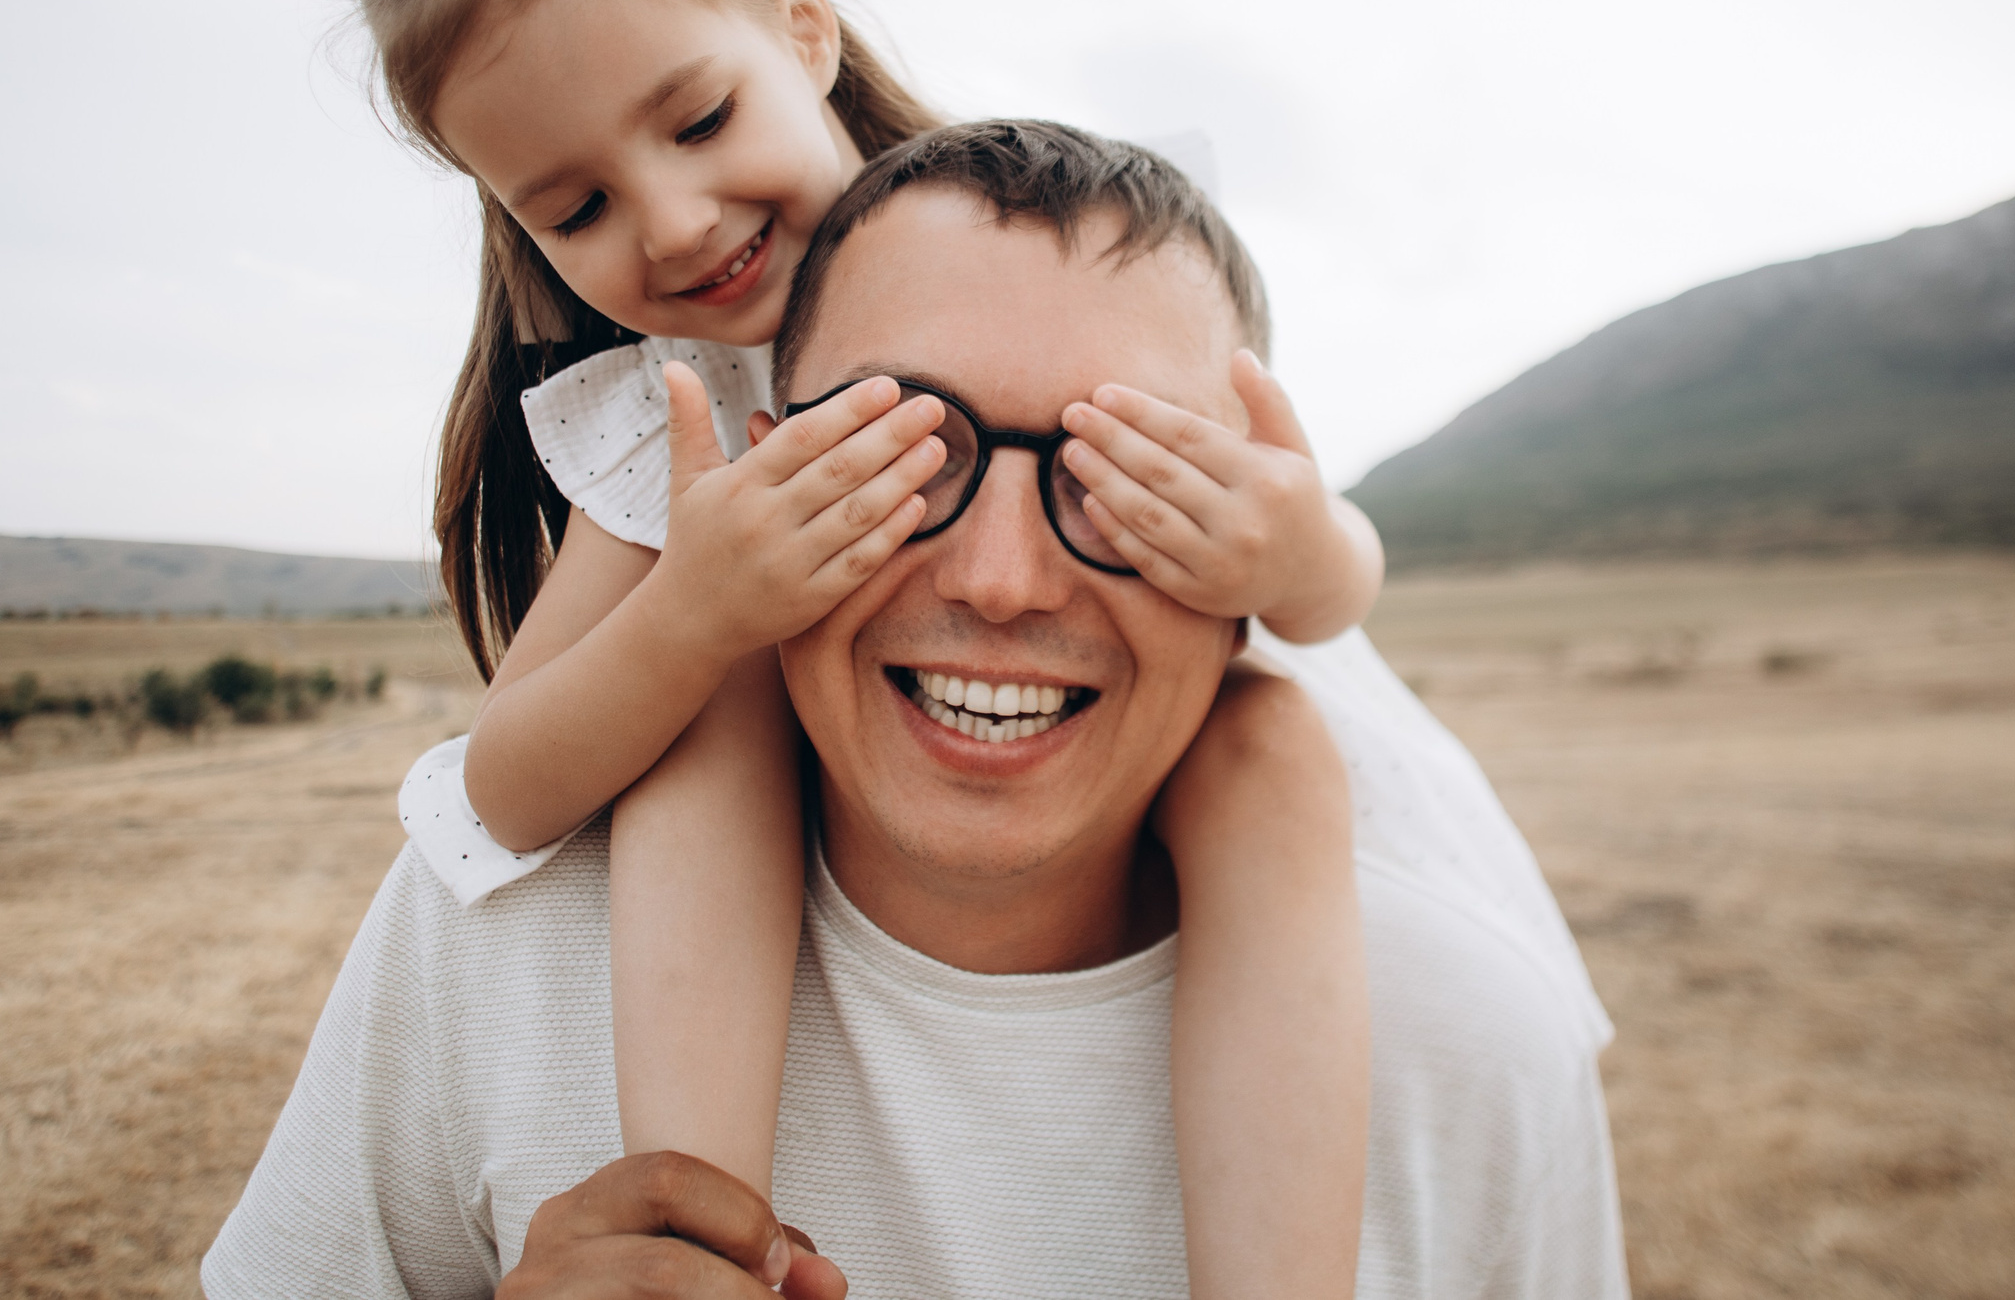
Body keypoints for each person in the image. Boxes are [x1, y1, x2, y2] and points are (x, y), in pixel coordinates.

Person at [203, 121, 1626, 1299]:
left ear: (1251, 542)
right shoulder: (495, 954)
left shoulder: (1472, 1056)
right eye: (900, 452)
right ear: (755, 481)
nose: (1003, 581)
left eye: (1118, 476)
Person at [339, 0, 1371, 1294]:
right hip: (832, 798)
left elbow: (1328, 587)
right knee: (719, 694)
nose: (676, 224)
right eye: (577, 208)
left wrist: (1298, 554)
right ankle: (715, 1239)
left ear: (801, 24)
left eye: (694, 123)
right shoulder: (662, 422)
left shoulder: (1031, 238)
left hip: (1124, 757)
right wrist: (695, 614)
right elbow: (501, 790)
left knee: (1278, 743)